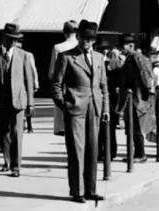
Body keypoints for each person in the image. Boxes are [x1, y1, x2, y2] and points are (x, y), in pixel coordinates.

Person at [51, 20, 109, 203]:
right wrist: (64, 104)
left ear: (94, 40)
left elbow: (103, 85)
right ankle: (77, 191)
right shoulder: (66, 56)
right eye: (83, 38)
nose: (86, 42)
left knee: (92, 149)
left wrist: (105, 107)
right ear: (77, 37)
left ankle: (90, 189)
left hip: (95, 107)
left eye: (90, 39)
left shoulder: (99, 58)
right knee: (77, 150)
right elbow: (56, 84)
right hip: (75, 107)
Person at [0, 22, 35, 178]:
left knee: (17, 133)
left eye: (16, 39)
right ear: (3, 37)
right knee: (3, 133)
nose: (14, 41)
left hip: (18, 102)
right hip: (0, 104)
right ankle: (7, 160)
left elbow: (29, 80)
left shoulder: (23, 55)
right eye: (11, 38)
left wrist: (30, 103)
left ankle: (16, 166)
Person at [116, 33, 155, 164]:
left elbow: (146, 74)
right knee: (132, 128)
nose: (121, 49)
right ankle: (136, 153)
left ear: (131, 45)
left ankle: (140, 154)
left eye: (123, 46)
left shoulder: (137, 57)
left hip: (136, 99)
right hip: (131, 98)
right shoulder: (130, 58)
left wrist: (148, 89)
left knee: (136, 128)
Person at [50, 21, 79, 137]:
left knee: (62, 110)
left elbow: (53, 71)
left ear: (64, 32)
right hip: (79, 84)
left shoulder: (58, 47)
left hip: (63, 84)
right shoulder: (82, 46)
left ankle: (61, 128)